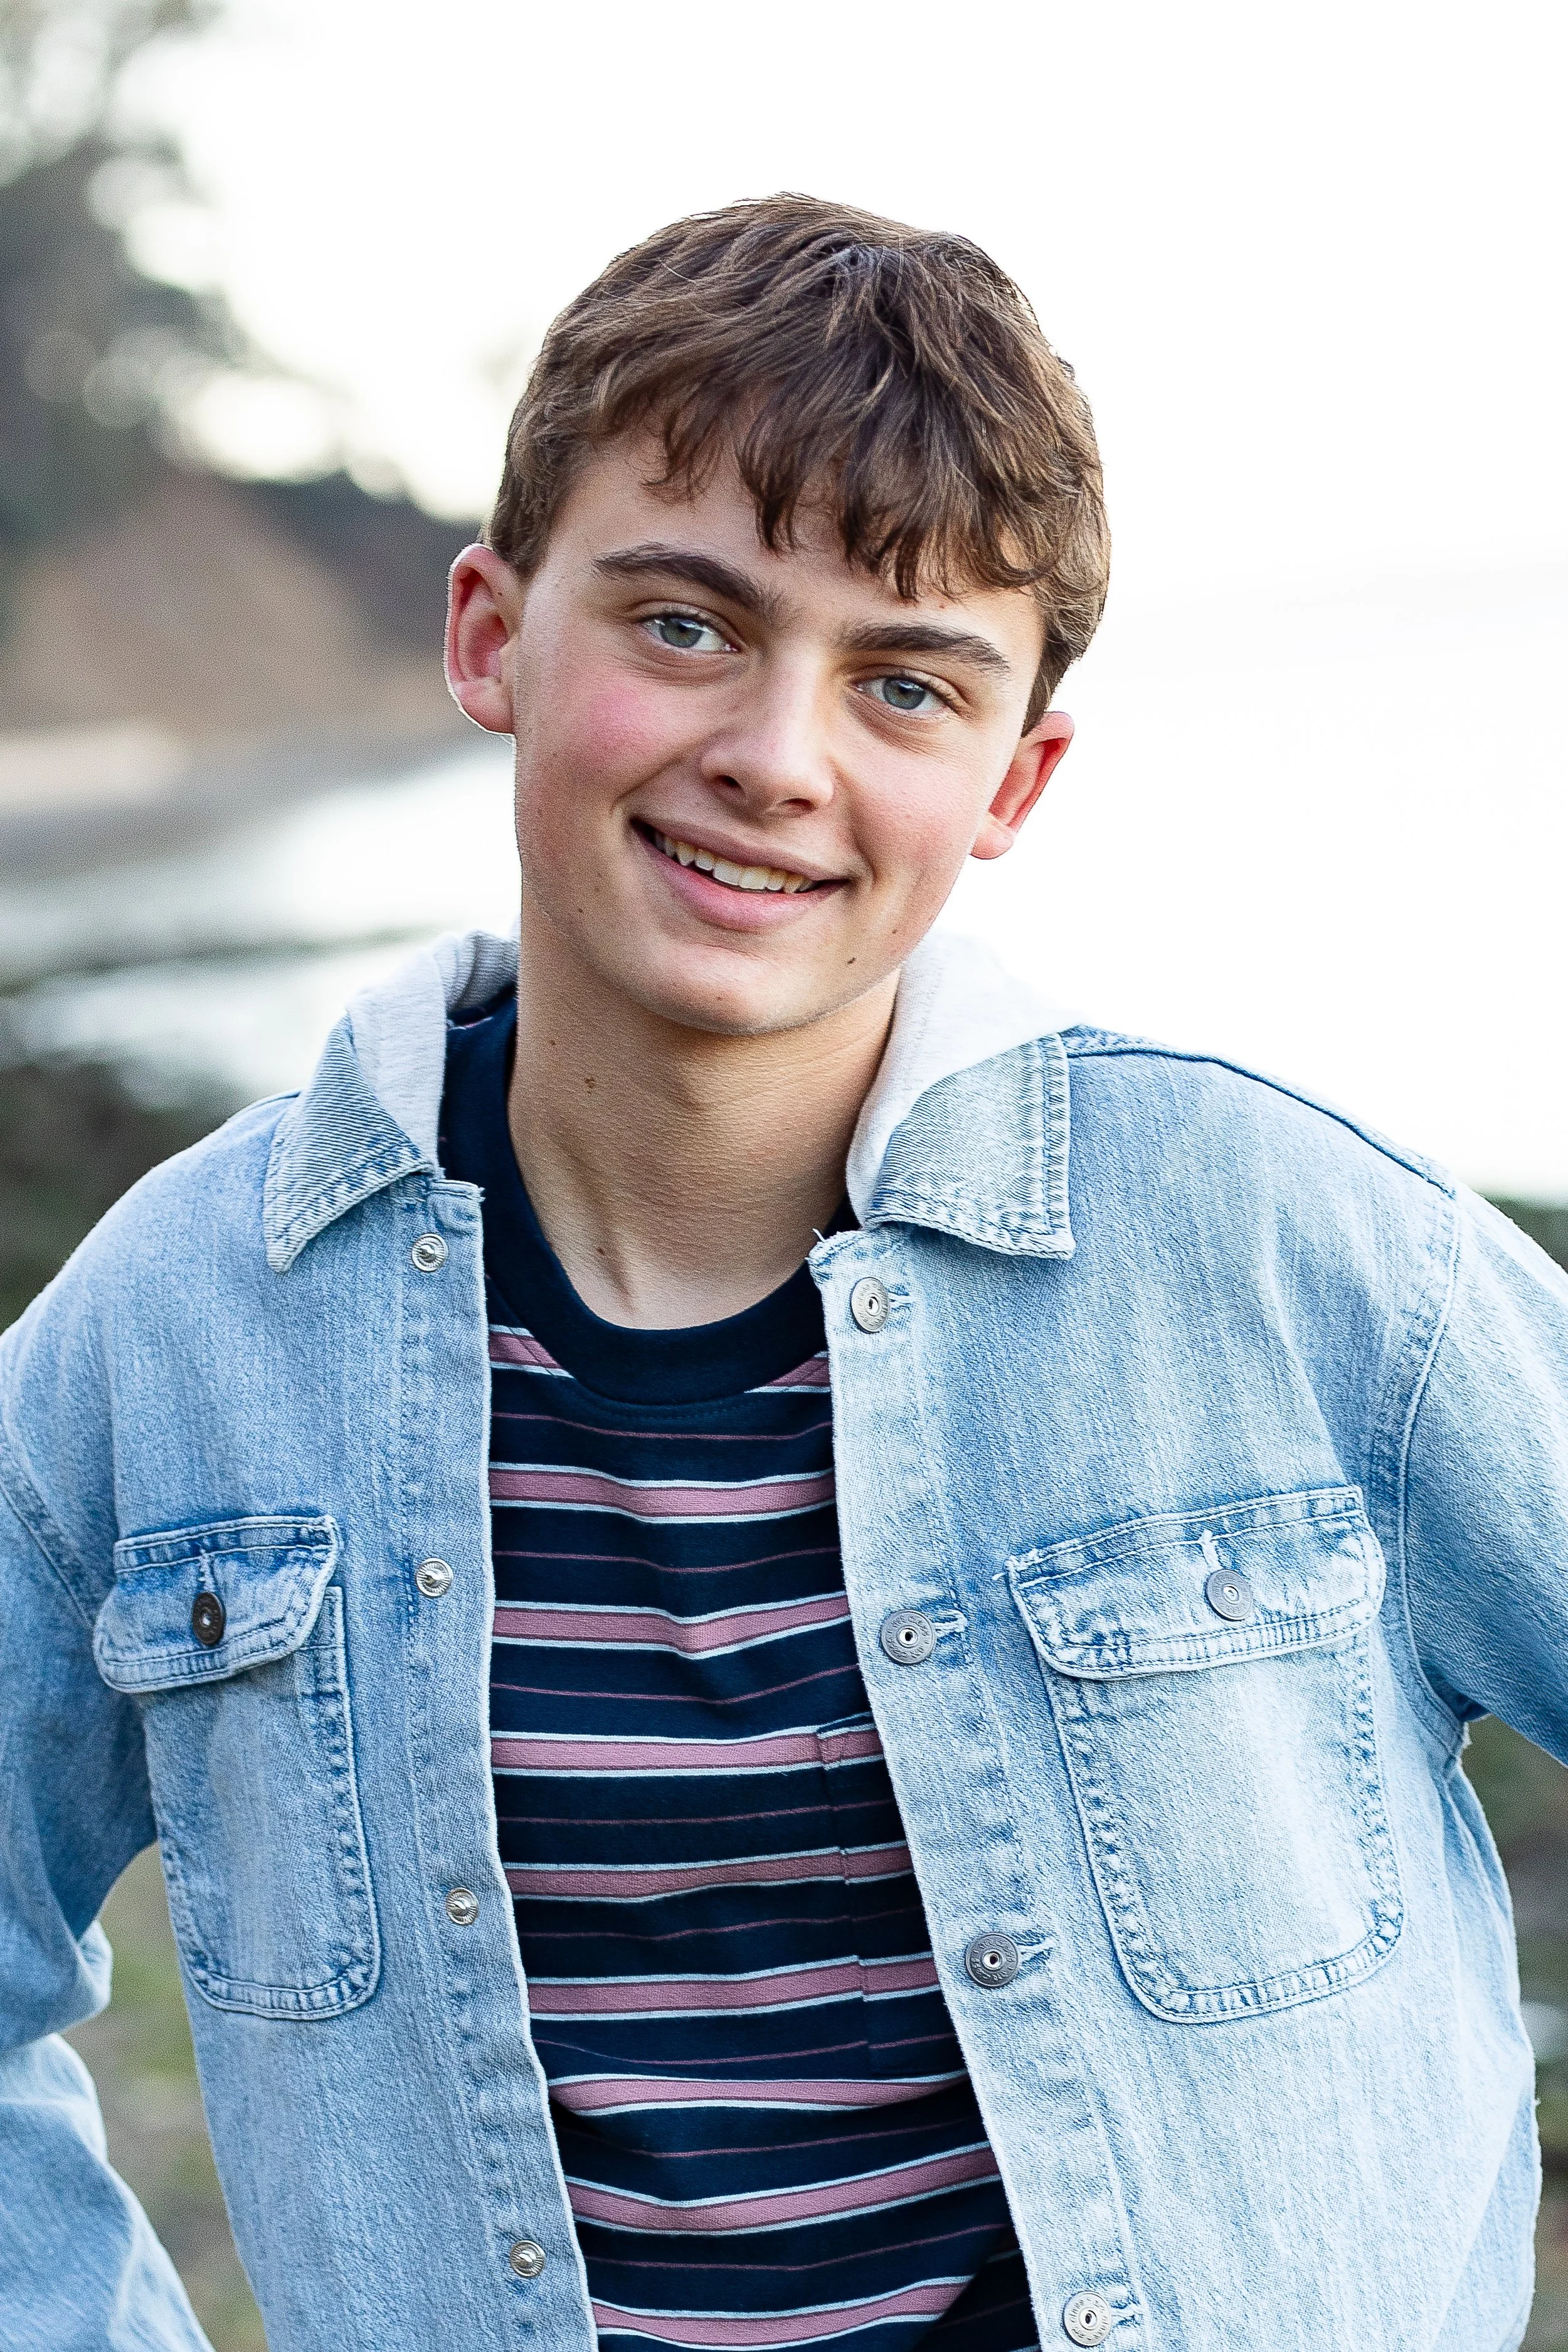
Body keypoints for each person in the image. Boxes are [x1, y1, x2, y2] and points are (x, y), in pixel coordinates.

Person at [1, 193, 1564, 2352]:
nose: (777, 755)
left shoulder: (1284, 1244)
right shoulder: (176, 1331)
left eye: (902, 681)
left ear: (1011, 777)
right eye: (682, 626)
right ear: (486, 634)